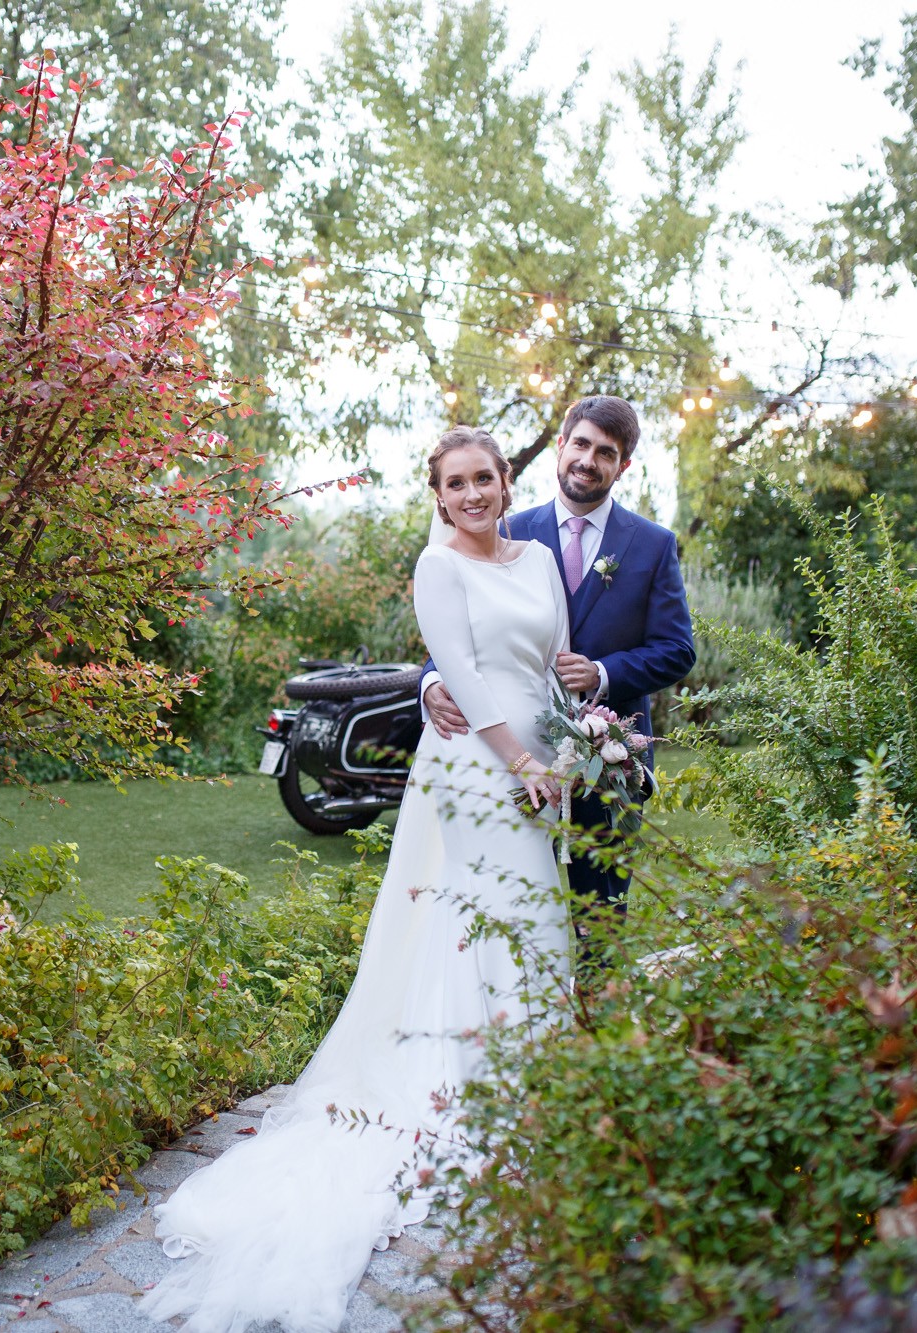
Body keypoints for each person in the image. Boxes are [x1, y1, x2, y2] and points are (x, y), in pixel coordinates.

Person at [139, 426, 577, 1333]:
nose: (472, 495)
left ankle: (542, 1077)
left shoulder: (539, 558)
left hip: (547, 771)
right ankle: (475, 1087)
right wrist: (517, 761)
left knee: (536, 918)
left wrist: (567, 752)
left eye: (484, 479)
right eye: (455, 483)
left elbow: (551, 662)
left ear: (505, 480)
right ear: (438, 491)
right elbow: (458, 670)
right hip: (476, 771)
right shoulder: (436, 566)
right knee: (484, 916)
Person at [420, 395, 695, 958]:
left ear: (623, 465)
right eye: (581, 444)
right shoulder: (496, 524)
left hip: (606, 760)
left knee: (600, 918)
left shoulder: (652, 544)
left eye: (606, 453)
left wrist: (601, 672)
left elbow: (677, 649)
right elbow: (454, 639)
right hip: (505, 759)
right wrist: (429, 685)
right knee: (508, 906)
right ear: (562, 447)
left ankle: (594, 1028)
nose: (589, 460)